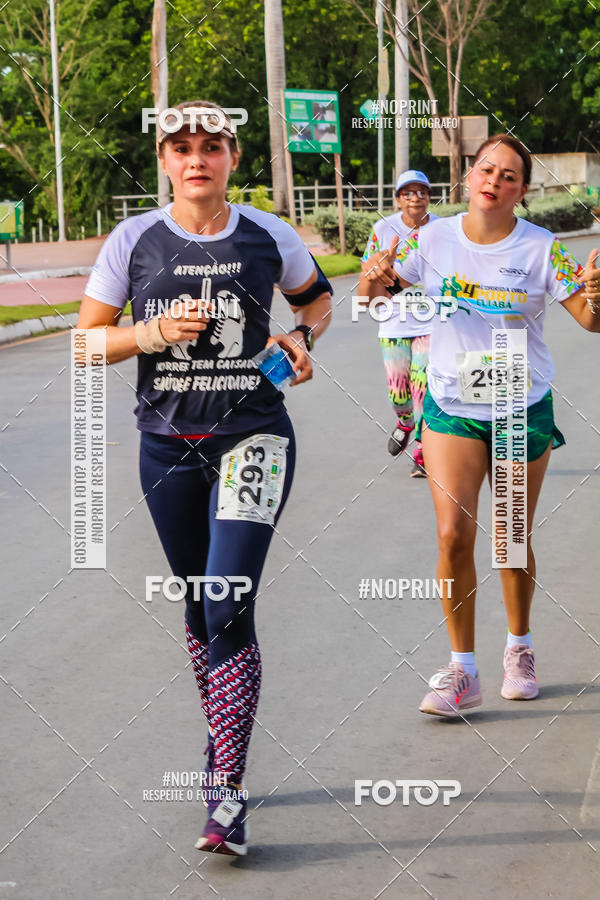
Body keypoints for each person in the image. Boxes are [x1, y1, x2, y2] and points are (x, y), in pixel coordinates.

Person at [77, 100, 332, 851]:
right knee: (200, 606)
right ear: (162, 161)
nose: (197, 158)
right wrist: (150, 332)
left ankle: (226, 791)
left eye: (211, 146)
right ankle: (224, 742)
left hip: (253, 436)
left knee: (224, 601)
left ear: (232, 157)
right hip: (168, 447)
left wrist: (299, 335)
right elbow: (85, 344)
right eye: (181, 147)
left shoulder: (265, 234)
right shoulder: (135, 241)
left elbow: (317, 299)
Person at [361, 134, 600, 717]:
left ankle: (519, 648)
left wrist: (596, 293)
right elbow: (376, 299)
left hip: (520, 399)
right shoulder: (432, 237)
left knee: (511, 538)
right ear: (468, 177)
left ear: (522, 190)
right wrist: (374, 276)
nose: (495, 180)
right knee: (452, 535)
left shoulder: (544, 248)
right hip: (451, 401)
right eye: (486, 169)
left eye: (509, 175)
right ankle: (461, 669)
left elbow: (591, 322)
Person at [359, 170, 438, 476]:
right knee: (399, 393)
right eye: (408, 193)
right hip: (393, 322)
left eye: (421, 192)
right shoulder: (383, 228)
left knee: (423, 388)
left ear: (429, 197)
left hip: (433, 322)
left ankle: (422, 450)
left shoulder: (442, 230)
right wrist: (382, 266)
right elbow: (369, 271)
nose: (415, 198)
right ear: (398, 199)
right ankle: (404, 422)